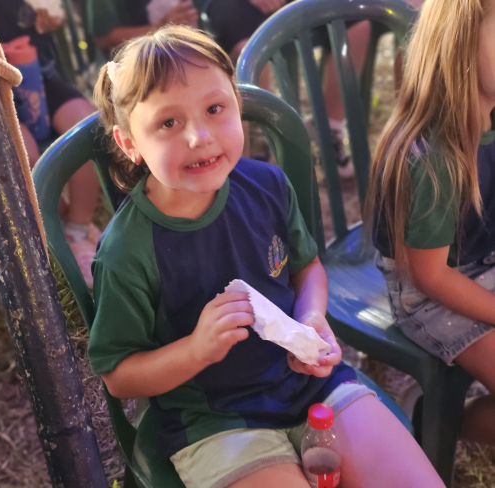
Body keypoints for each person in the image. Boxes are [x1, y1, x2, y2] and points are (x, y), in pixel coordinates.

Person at [88, 25, 443, 488]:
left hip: (310, 384)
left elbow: (306, 269)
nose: (199, 136)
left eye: (214, 109)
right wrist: (195, 349)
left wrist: (311, 317)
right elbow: (119, 376)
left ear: (237, 105)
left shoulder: (267, 186)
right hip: (215, 421)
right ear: (129, 143)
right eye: (168, 123)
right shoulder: (127, 250)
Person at [369, 0, 495, 448]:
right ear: (459, 45)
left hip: (483, 259)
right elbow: (430, 277)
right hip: (431, 292)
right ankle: (429, 420)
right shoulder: (432, 157)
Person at [0, 0, 102, 286]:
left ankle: (78, 227)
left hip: (39, 75)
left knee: (90, 131)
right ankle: (62, 227)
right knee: (25, 157)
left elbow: (52, 13)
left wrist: (51, 14)